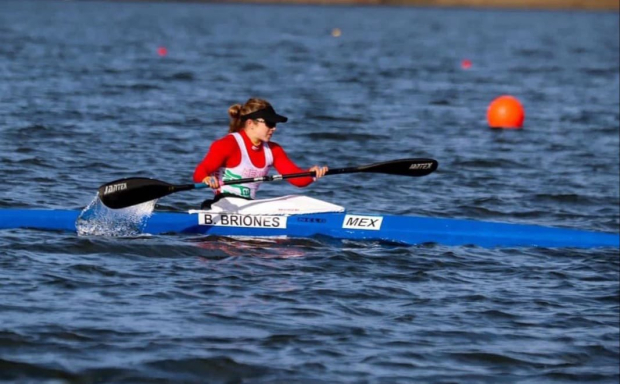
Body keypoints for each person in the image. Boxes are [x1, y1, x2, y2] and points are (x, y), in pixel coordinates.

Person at [193, 98, 328, 209]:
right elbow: (200, 172)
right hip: (224, 204)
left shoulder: (274, 150)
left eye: (275, 124)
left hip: (248, 207)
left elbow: (297, 179)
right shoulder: (228, 144)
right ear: (251, 123)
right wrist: (206, 178)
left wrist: (312, 174)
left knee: (296, 200)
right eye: (269, 123)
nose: (274, 128)